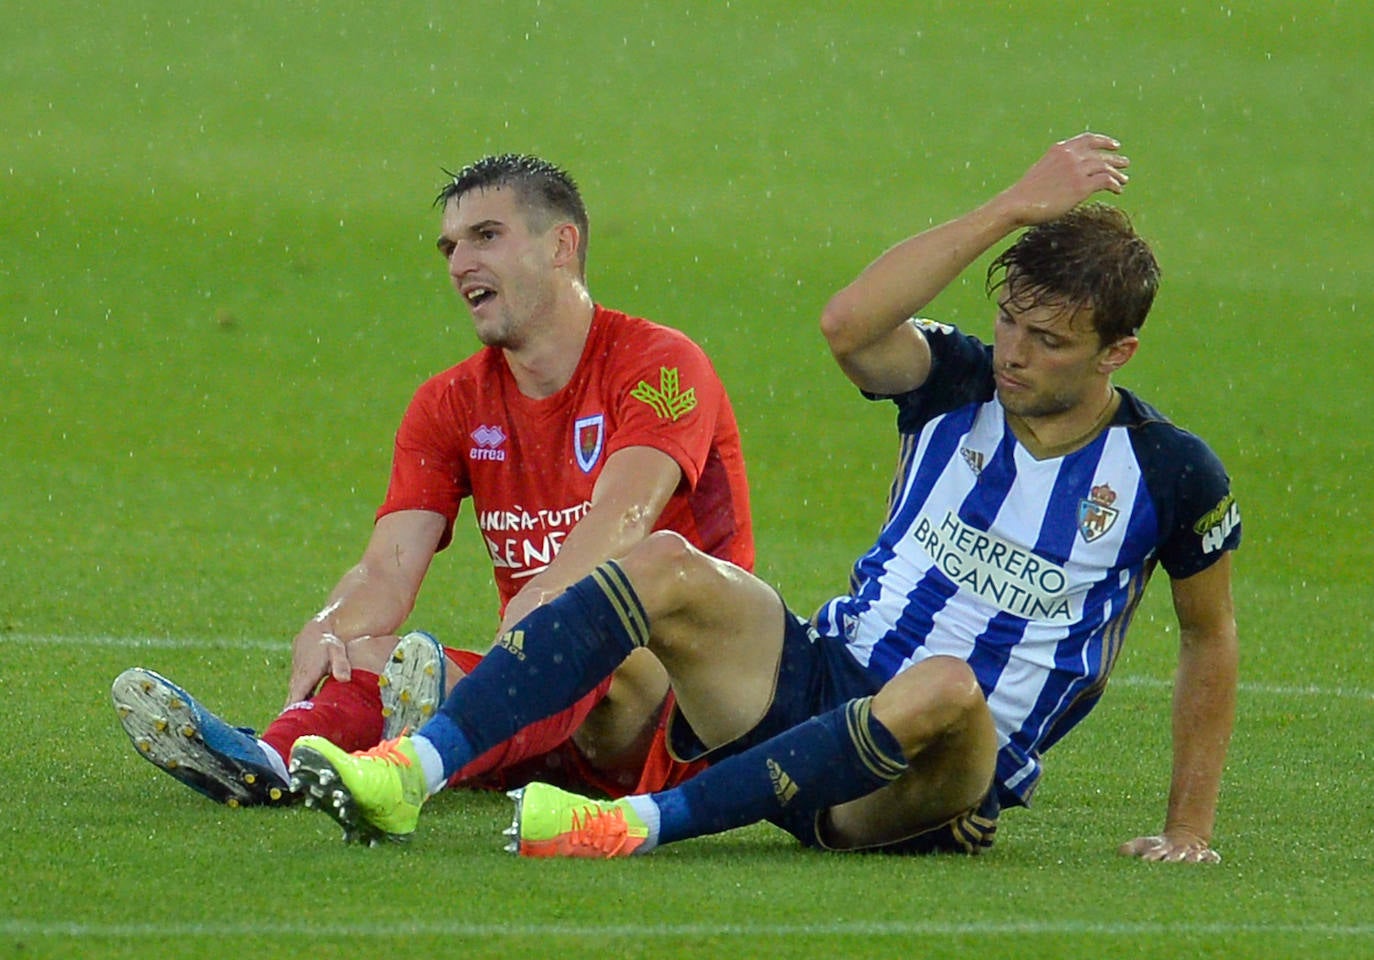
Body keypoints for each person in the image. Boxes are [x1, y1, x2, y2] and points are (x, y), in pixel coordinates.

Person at [290, 133, 1240, 864]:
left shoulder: (1168, 473)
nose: (1015, 353)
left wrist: (1187, 828)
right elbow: (848, 323)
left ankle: (630, 826)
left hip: (937, 777)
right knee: (660, 561)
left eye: (1049, 340)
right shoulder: (959, 382)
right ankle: (410, 771)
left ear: (1117, 354)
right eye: (1007, 322)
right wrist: (1013, 208)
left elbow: (1209, 637)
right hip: (819, 677)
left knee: (949, 687)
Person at [111, 153, 754, 808]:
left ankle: (428, 739)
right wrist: (332, 625)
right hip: (539, 704)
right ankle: (273, 761)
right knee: (369, 657)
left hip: (680, 712)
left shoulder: (661, 365)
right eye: (450, 246)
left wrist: (547, 604)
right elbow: (387, 569)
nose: (458, 264)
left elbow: (622, 520)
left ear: (562, 245)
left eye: (486, 236)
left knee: (583, 631)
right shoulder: (449, 404)